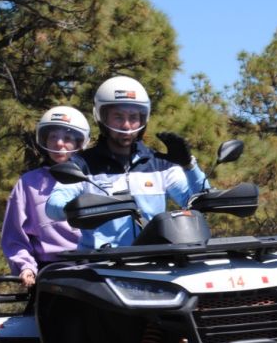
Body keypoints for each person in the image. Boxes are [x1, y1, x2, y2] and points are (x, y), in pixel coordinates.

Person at [44, 75, 210, 248]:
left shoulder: (159, 164)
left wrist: (189, 166)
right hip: (102, 266)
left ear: (143, 119)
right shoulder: (83, 164)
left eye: (133, 117)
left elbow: (198, 203)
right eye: (118, 117)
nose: (126, 125)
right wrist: (84, 208)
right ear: (102, 118)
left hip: (152, 263)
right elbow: (53, 205)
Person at [1, 106, 92, 287]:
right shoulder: (28, 183)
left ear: (80, 143)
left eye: (67, 138)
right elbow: (14, 235)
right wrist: (26, 266)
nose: (59, 144)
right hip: (51, 270)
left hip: (93, 266)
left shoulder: (92, 179)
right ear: (44, 140)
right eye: (53, 137)